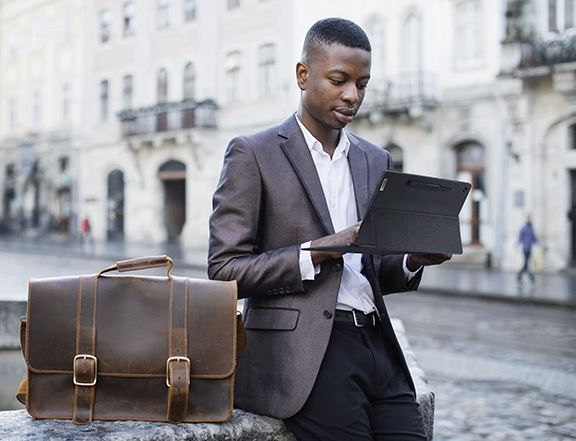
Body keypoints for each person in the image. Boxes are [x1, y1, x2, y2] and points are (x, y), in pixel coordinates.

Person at [208, 18, 450, 440]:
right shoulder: (253, 153)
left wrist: (412, 259)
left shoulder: (377, 160)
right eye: (339, 80)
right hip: (306, 354)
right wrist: (318, 250)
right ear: (303, 75)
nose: (352, 95)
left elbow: (375, 268)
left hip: (378, 345)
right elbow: (225, 271)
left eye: (362, 84)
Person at [517, 215, 538, 285]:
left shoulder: (531, 228)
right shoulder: (524, 228)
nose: (530, 220)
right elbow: (520, 237)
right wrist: (518, 243)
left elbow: (534, 238)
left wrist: (538, 243)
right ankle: (531, 277)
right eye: (529, 219)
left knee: (526, 263)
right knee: (526, 263)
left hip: (529, 248)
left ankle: (520, 276)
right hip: (525, 248)